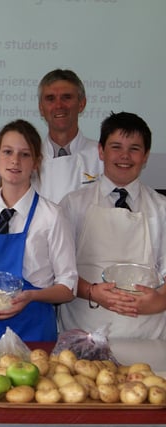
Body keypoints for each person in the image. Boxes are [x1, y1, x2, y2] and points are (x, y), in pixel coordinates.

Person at [0, 119, 77, 341]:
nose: (15, 161)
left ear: (36, 163)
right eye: (7, 152)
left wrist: (32, 296)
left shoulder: (52, 216)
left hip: (31, 336)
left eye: (25, 154)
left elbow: (68, 287)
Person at [58, 112, 166, 339]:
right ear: (100, 150)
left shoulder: (162, 208)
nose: (124, 156)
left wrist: (160, 301)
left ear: (146, 156)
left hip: (146, 337)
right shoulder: (73, 204)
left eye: (135, 149)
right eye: (116, 146)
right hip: (82, 333)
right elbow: (58, 271)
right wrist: (92, 292)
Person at [33, 69, 103, 203]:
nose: (59, 105)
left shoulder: (101, 157)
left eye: (67, 97)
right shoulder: (29, 158)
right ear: (41, 108)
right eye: (50, 99)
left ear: (82, 104)